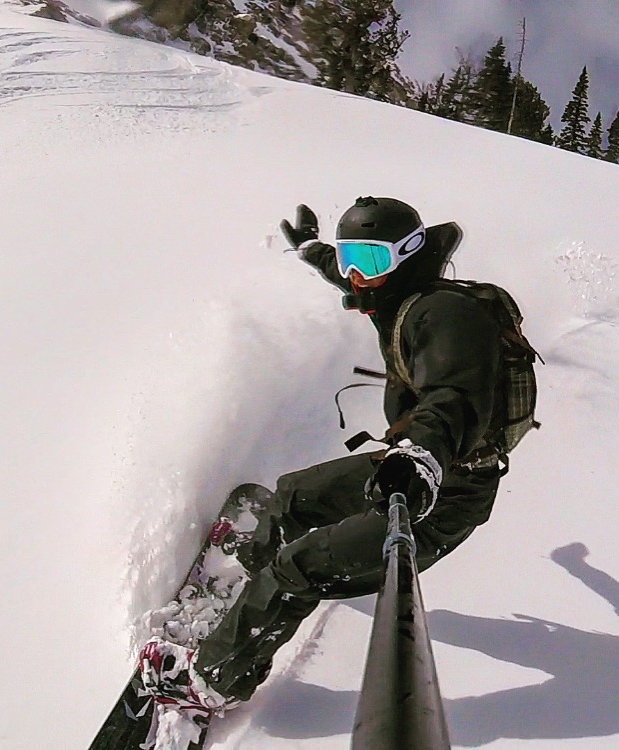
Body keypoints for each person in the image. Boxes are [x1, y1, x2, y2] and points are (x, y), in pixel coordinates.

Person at [142, 196, 526, 712]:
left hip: (441, 490)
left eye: (370, 262)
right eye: (351, 258)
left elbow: (454, 399)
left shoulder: (445, 314)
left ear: (409, 253)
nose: (357, 276)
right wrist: (315, 251)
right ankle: (248, 576)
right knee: (292, 495)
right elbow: (346, 276)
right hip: (406, 462)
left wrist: (423, 457)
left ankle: (211, 681)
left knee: (298, 571)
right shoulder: (398, 291)